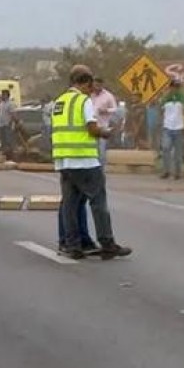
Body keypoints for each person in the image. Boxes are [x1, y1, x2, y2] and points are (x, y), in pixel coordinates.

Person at [53, 65, 131, 260]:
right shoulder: (83, 101)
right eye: (90, 86)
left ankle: (73, 246)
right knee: (98, 203)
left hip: (65, 162)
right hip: (85, 160)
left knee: (70, 206)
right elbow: (92, 128)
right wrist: (107, 133)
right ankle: (107, 243)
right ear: (85, 83)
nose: (92, 90)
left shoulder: (59, 101)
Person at [159, 79, 184, 180]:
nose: (176, 89)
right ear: (170, 87)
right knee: (166, 148)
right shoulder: (165, 99)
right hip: (167, 127)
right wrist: (161, 123)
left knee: (178, 152)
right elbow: (161, 110)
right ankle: (166, 171)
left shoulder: (183, 99)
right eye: (174, 87)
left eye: (178, 87)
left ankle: (178, 172)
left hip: (179, 127)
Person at [91, 78, 118, 166]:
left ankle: (101, 168)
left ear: (102, 85)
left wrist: (106, 110)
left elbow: (115, 109)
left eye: (98, 85)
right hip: (91, 126)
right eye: (95, 85)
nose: (96, 87)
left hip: (103, 126)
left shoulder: (108, 96)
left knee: (101, 150)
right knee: (92, 149)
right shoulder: (90, 94)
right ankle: (93, 168)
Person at [0, 90, 16, 160]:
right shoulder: (1, 104)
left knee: (8, 140)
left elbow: (13, 114)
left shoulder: (10, 104)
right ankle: (4, 154)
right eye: (2, 94)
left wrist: (10, 122)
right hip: (1, 124)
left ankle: (10, 156)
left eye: (3, 95)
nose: (2, 96)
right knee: (3, 141)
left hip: (7, 124)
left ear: (7, 95)